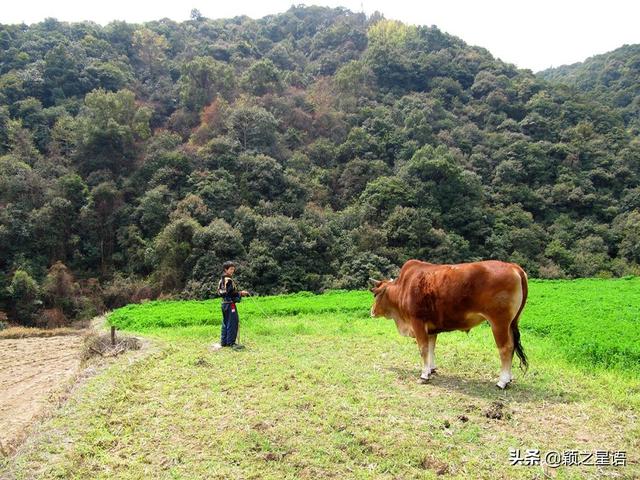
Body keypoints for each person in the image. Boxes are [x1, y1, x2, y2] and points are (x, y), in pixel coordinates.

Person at [216, 261, 249, 350]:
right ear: (225, 269)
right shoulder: (229, 280)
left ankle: (224, 342)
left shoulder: (221, 281)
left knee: (225, 322)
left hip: (223, 304)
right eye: (230, 269)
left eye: (233, 269)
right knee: (233, 322)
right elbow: (230, 293)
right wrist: (241, 293)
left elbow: (220, 293)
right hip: (230, 304)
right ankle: (231, 343)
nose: (232, 271)